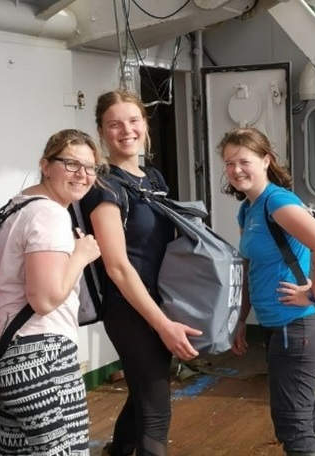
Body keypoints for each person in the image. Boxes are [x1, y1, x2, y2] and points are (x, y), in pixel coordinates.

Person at [78, 89, 202, 456]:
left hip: (160, 302)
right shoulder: (104, 187)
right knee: (156, 408)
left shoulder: (153, 178)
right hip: (129, 309)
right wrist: (162, 324)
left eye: (133, 121)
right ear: (101, 132)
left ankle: (118, 451)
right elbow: (117, 266)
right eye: (114, 124)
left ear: (145, 126)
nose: (126, 130)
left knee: (144, 392)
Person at [219, 126, 315, 456]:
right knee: (306, 411)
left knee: (293, 422)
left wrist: (313, 293)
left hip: (297, 325)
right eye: (229, 163)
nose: (235, 170)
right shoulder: (248, 208)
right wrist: (242, 318)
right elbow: (250, 268)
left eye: (244, 161)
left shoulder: (277, 202)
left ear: (266, 160)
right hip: (278, 326)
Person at [0, 128, 103, 455]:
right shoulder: (48, 213)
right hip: (43, 357)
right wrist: (82, 255)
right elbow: (45, 298)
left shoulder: (16, 206)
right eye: (71, 163)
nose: (83, 174)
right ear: (45, 165)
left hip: (11, 355)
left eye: (91, 167)